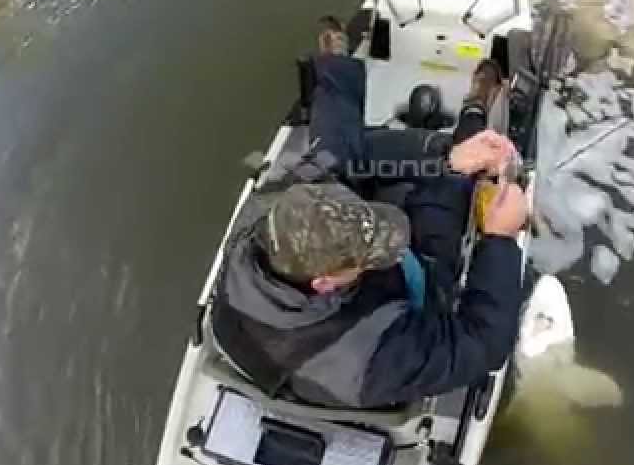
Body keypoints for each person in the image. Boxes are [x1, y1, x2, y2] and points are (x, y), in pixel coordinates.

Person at [210, 25, 528, 409]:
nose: (389, 242)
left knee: (331, 150)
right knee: (442, 206)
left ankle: (337, 66)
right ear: (326, 282)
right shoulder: (380, 359)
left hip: (324, 321)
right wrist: (500, 239)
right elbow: (484, 345)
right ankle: (473, 112)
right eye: (370, 253)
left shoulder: (264, 214)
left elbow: (335, 162)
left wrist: (446, 157)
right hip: (358, 350)